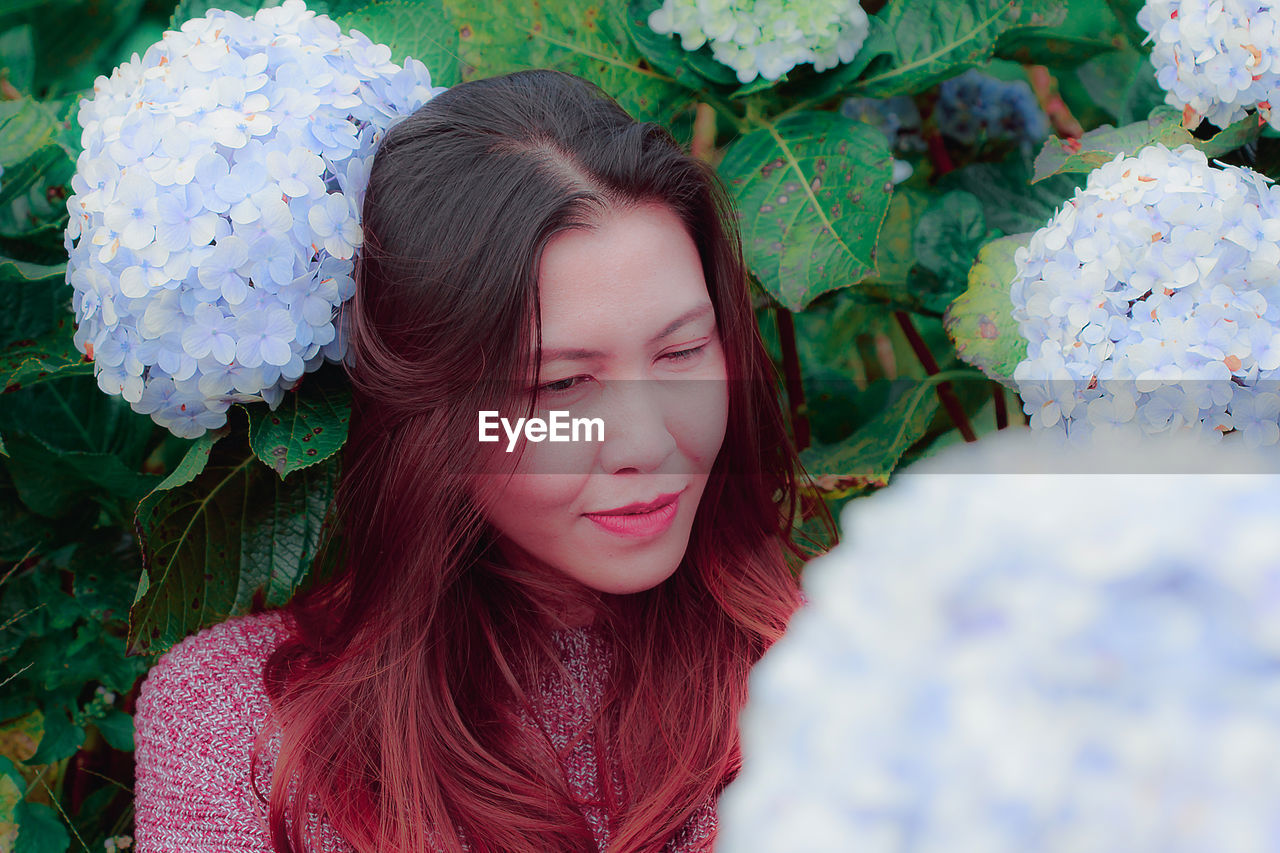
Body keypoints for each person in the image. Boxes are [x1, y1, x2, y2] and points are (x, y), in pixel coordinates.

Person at [132, 68, 833, 853]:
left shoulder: (861, 676)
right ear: (424, 409)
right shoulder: (238, 724)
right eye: (562, 383)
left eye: (681, 352)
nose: (648, 444)